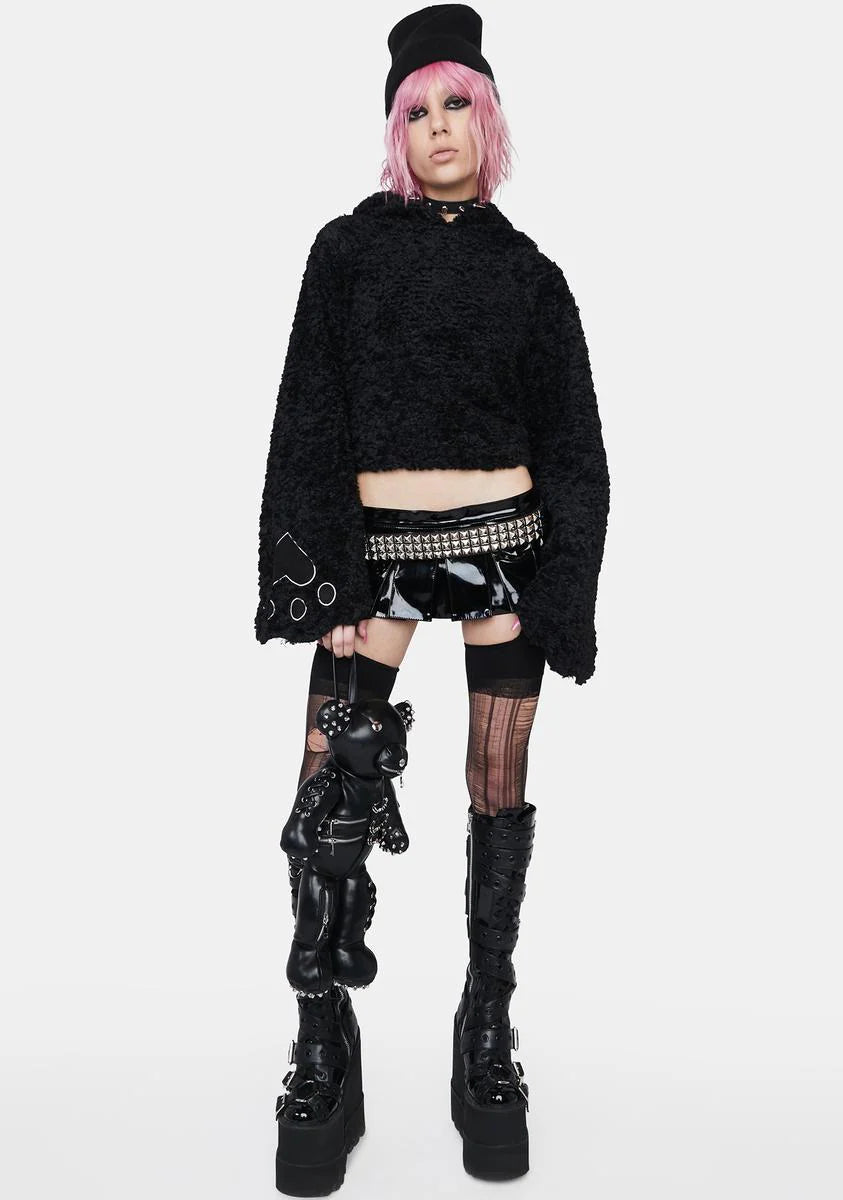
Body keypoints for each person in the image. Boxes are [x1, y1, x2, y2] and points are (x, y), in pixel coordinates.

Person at [256, 4, 610, 1192]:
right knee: (327, 789)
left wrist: (566, 589)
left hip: (506, 547)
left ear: (489, 119)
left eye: (460, 104)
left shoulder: (531, 277)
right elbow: (308, 417)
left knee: (496, 782)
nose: (441, 127)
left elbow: (576, 450)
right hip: (374, 557)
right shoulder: (347, 254)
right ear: (395, 131)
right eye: (419, 110)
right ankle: (324, 1037)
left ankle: (485, 1024)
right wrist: (322, 579)